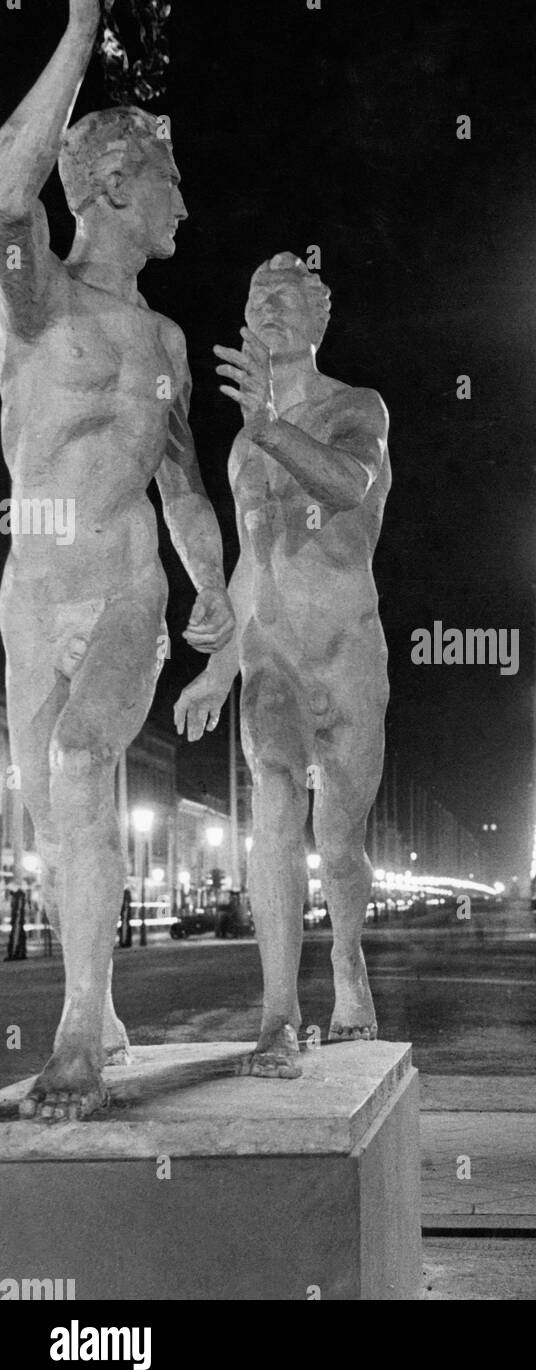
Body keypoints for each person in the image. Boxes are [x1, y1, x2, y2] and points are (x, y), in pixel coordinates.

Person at [0, 0, 235, 1120]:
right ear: (107, 188)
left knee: (88, 767)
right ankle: (101, 999)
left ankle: (79, 1027)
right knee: (53, 821)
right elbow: (6, 182)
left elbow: (183, 484)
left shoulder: (166, 344)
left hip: (128, 583)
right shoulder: (32, 298)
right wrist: (83, 24)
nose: (184, 203)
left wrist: (215, 597)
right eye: (167, 182)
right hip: (32, 587)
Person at [175, 254, 390, 1077]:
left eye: (286, 298)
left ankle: (346, 957)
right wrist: (219, 668)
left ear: (318, 317)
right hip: (273, 659)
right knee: (271, 798)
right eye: (256, 296)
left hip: (348, 651)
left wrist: (270, 423)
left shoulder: (355, 408)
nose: (268, 309)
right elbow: (250, 566)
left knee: (338, 841)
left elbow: (347, 482)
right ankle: (278, 1012)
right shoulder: (240, 448)